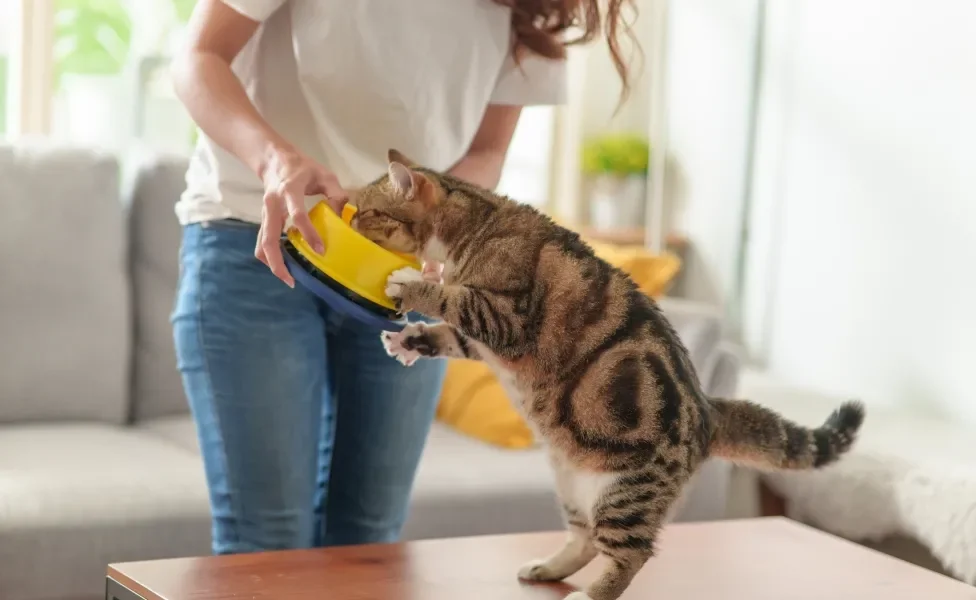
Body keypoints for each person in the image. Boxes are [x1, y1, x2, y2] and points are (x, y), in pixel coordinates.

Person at [169, 0, 635, 555]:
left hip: (407, 272)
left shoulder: (536, 8)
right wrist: (275, 159)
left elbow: (486, 150)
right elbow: (198, 56)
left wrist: (438, 227)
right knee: (266, 545)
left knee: (370, 542)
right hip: (257, 236)